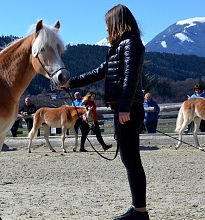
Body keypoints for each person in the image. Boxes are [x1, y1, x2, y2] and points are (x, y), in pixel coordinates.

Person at [63, 4, 149, 219]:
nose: (106, 28)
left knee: (132, 160)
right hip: (123, 109)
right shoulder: (120, 46)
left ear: (116, 22)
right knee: (129, 160)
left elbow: (131, 77)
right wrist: (70, 83)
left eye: (108, 24)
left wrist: (125, 107)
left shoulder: (132, 43)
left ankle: (140, 212)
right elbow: (99, 72)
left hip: (128, 109)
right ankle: (138, 208)